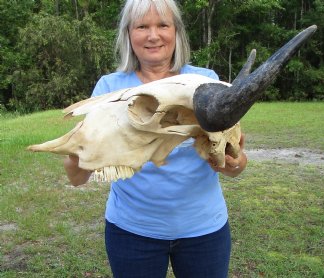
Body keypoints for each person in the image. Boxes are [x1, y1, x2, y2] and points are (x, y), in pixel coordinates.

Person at [64, 0, 247, 277]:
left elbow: (237, 159)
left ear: (176, 32)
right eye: (142, 26)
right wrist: (78, 153)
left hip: (204, 230)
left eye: (163, 25)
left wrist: (234, 164)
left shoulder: (205, 83)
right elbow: (77, 178)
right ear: (128, 33)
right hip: (132, 232)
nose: (153, 35)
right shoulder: (110, 89)